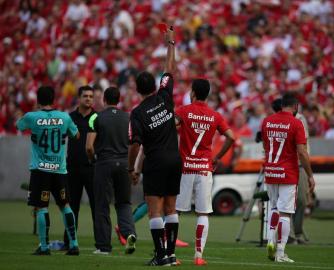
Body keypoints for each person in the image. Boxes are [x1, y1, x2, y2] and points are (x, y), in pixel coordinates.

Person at [128, 26, 181, 266]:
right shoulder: (164, 96)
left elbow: (135, 145)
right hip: (174, 159)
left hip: (156, 161)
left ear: (137, 90)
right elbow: (169, 70)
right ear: (155, 85)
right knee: (171, 208)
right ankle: (170, 254)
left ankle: (160, 256)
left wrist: (132, 169)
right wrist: (171, 44)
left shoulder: (137, 113)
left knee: (154, 211)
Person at [175, 78, 235, 265]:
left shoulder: (183, 111)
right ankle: (198, 256)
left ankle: (170, 253)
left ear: (193, 93)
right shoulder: (215, 115)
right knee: (203, 213)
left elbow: (169, 127)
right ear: (207, 94)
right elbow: (231, 137)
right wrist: (217, 157)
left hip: (185, 168)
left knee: (175, 211)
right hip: (204, 169)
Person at [16, 86, 80, 255]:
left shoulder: (32, 117)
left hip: (40, 170)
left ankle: (44, 247)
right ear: (54, 99)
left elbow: (19, 126)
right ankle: (74, 244)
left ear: (38, 100)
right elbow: (77, 135)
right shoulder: (64, 117)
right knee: (65, 205)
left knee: (41, 207)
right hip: (59, 169)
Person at [261, 93, 315, 263]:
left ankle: (270, 239)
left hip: (270, 170)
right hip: (288, 172)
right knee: (285, 213)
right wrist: (310, 174)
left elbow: (265, 146)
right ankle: (280, 252)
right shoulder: (296, 123)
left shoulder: (267, 121)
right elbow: (301, 151)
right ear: (296, 106)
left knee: (274, 208)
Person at [86, 86, 136, 255]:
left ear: (104, 100)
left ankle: (103, 246)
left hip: (104, 163)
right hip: (123, 164)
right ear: (118, 100)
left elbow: (89, 146)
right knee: (123, 203)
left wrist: (93, 159)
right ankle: (129, 234)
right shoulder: (127, 118)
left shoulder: (95, 117)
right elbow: (132, 144)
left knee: (102, 205)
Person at [271, 98, 311, 245]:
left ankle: (297, 233)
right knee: (281, 204)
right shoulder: (273, 120)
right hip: (282, 165)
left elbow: (303, 146)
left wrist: (308, 168)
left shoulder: (300, 120)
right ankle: (288, 236)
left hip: (299, 164)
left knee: (300, 200)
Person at [63, 85, 97, 249]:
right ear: (79, 98)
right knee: (71, 206)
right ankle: (69, 241)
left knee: (96, 208)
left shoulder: (96, 118)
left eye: (91, 96)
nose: (89, 99)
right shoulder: (69, 118)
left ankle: (101, 242)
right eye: (86, 96)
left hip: (92, 168)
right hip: (73, 168)